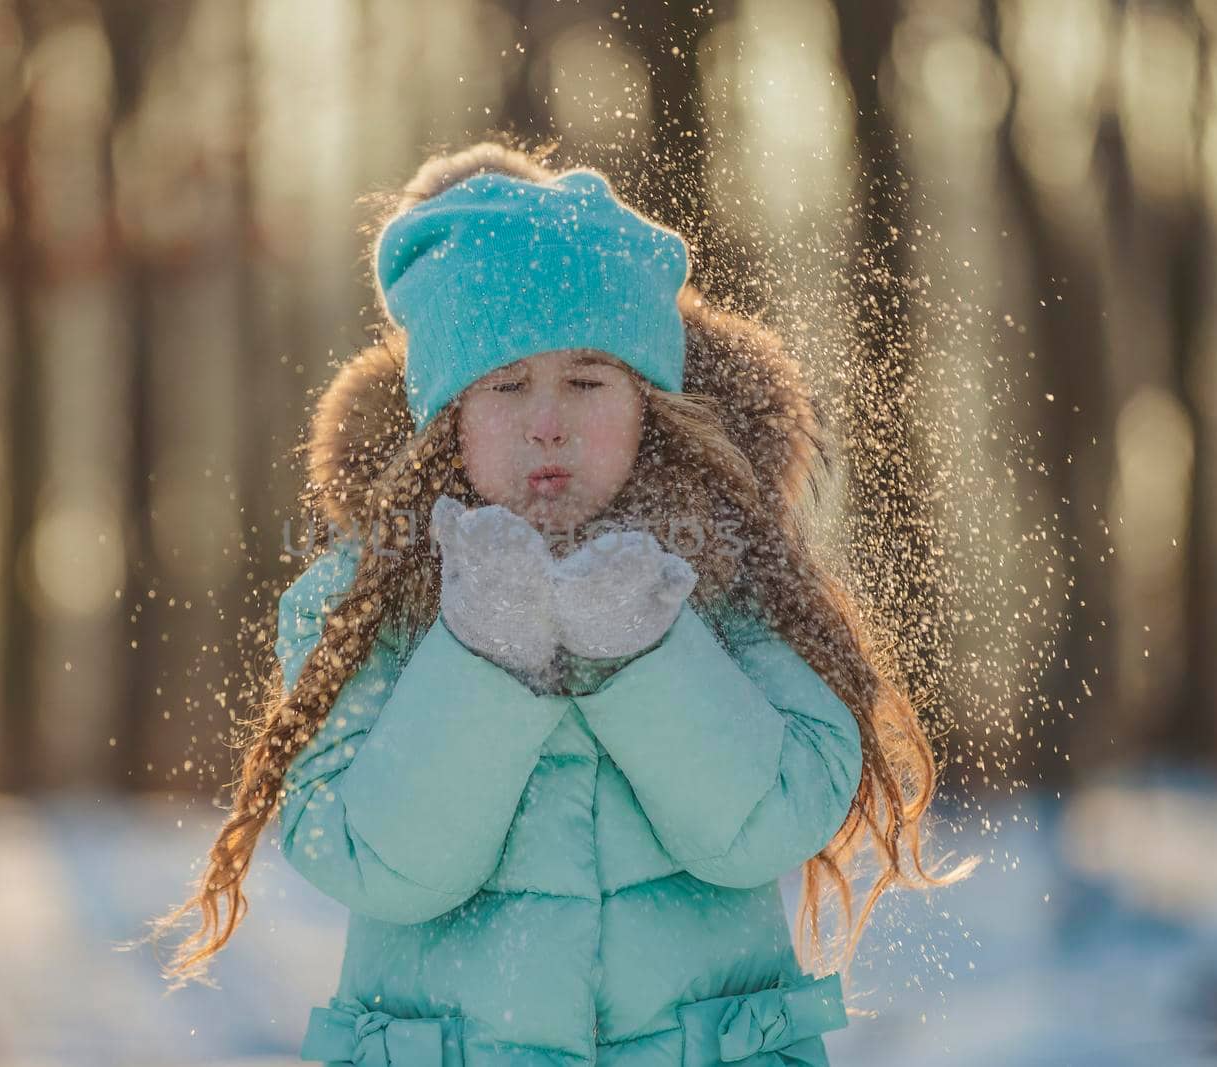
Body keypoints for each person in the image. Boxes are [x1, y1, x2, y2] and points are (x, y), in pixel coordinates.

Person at [149, 138, 973, 1067]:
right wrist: (481, 657)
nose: (549, 419)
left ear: (650, 402)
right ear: (443, 420)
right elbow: (367, 859)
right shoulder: (366, 604)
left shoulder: (724, 571)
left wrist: (645, 654)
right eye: (504, 384)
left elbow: (774, 824)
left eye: (587, 380)